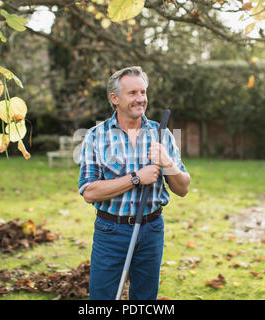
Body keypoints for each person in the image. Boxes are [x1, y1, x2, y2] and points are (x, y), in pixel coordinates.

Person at [78, 66, 191, 300]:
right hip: (111, 231)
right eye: (132, 93)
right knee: (102, 299)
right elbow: (89, 192)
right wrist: (136, 178)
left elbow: (183, 189)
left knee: (145, 300)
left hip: (151, 229)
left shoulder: (162, 135)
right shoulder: (96, 136)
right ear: (114, 98)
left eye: (143, 92)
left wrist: (167, 163)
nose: (140, 99)